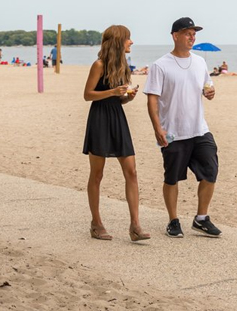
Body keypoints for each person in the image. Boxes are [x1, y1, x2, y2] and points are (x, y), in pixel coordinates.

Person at [145, 17, 221, 239]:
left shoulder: (199, 62)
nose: (192, 37)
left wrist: (210, 92)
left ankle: (201, 219)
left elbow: (208, 86)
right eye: (187, 33)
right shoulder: (160, 65)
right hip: (173, 132)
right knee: (172, 178)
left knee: (210, 172)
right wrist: (157, 128)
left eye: (194, 34)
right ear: (175, 35)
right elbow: (152, 100)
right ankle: (173, 220)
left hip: (200, 129)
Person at [82, 25, 149, 242]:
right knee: (97, 174)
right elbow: (87, 95)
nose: (131, 42)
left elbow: (119, 98)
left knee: (131, 171)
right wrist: (112, 91)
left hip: (118, 117)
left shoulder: (123, 65)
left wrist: (127, 97)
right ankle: (96, 223)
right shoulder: (99, 65)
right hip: (100, 118)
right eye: (128, 38)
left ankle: (135, 226)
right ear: (118, 41)